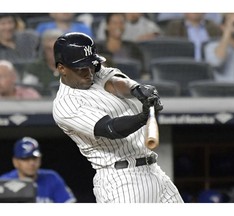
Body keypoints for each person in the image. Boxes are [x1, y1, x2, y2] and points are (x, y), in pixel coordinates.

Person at [52, 32, 184, 203]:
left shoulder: (95, 73)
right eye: (81, 68)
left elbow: (115, 83)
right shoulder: (65, 104)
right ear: (62, 67)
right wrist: (143, 117)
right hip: (122, 181)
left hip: (154, 171)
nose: (89, 72)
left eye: (91, 66)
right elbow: (110, 129)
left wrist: (138, 90)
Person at [0, 136, 76, 203]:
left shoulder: (52, 178)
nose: (32, 163)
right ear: (15, 162)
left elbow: (70, 208)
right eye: (26, 159)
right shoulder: (4, 182)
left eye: (34, 158)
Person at [96, 13, 146, 78]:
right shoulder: (97, 48)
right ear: (107, 26)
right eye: (114, 23)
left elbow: (141, 70)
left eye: (121, 23)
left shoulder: (133, 47)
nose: (118, 26)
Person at [22, 29, 63, 97]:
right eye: (49, 49)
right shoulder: (34, 68)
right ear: (43, 50)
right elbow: (26, 92)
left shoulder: (75, 68)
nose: (53, 53)